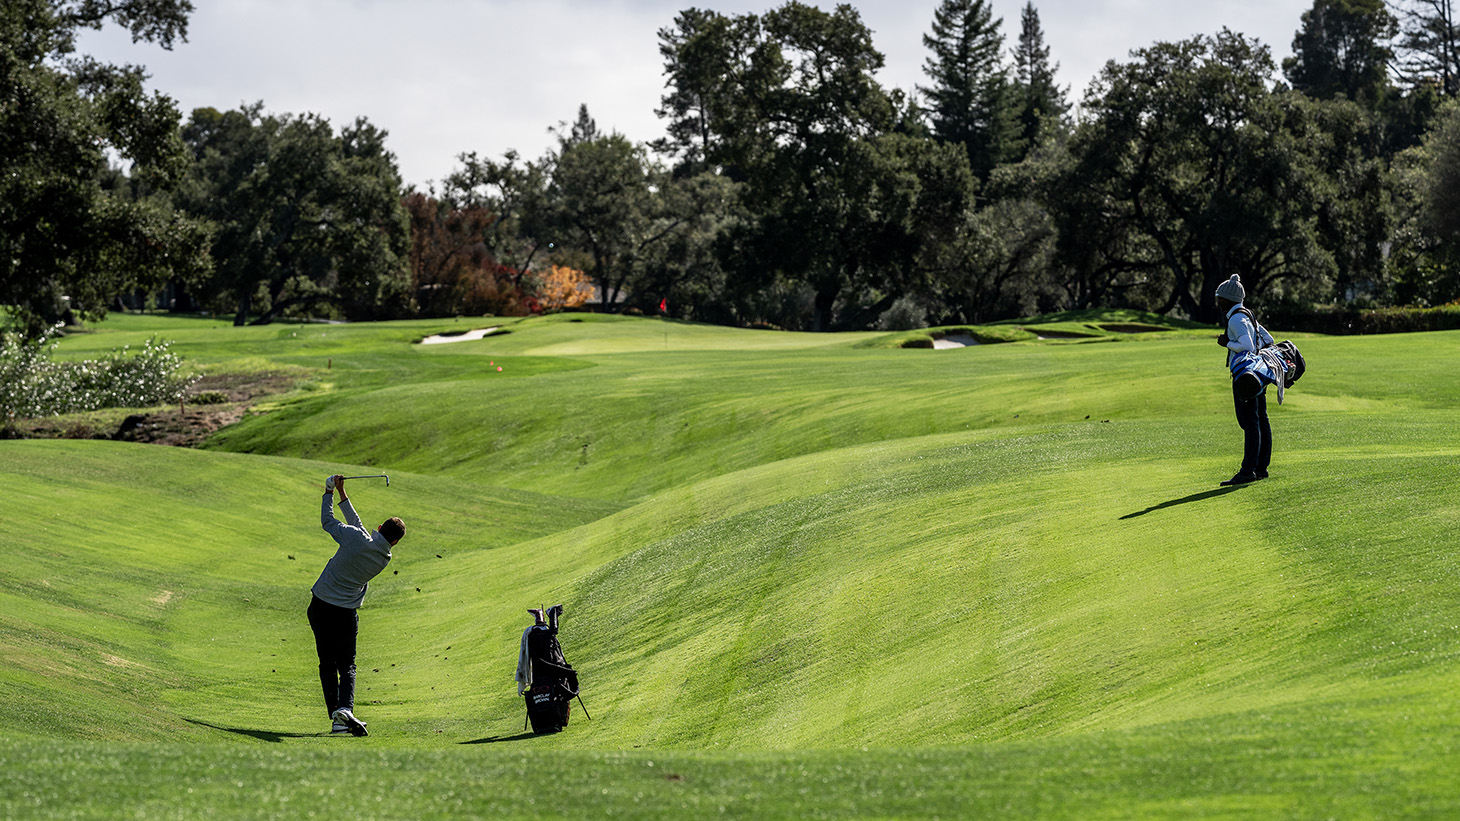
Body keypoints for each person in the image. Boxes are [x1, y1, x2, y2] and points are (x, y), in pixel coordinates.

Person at [308, 474, 405, 736]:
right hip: (345, 614)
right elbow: (357, 527)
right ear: (394, 541)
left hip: (320, 607)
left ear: (380, 528)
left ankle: (338, 718)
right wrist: (343, 493)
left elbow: (329, 522)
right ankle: (344, 710)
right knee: (347, 664)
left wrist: (329, 491)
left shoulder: (355, 537)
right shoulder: (384, 556)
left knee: (326, 663)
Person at [1215, 275, 1275, 486]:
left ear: (1229, 299)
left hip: (1245, 375)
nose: (1218, 302)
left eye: (1220, 298)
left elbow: (1247, 346)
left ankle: (1248, 470)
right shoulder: (1247, 314)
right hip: (1257, 374)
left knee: (1249, 422)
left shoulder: (1236, 319)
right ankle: (1261, 468)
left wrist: (1227, 343)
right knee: (1261, 420)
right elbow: (1268, 339)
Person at [515, 603, 579, 733]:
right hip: (552, 674)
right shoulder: (543, 635)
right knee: (549, 634)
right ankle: (547, 614)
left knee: (548, 634)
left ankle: (543, 615)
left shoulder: (533, 635)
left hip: (542, 675)